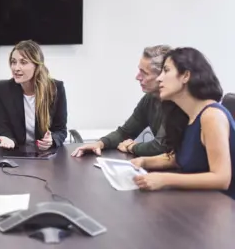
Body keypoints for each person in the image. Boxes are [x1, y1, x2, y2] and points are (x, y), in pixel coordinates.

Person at [130, 47, 235, 199]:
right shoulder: (186, 115)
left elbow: (221, 178)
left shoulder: (212, 116)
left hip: (225, 208)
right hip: (203, 201)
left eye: (166, 70)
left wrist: (164, 179)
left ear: (186, 76)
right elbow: (183, 158)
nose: (159, 78)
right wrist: (144, 161)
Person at [71, 45, 172, 157]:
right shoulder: (150, 98)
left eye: (144, 73)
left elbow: (160, 147)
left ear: (162, 75)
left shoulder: (177, 103)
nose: (137, 77)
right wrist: (99, 144)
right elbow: (125, 132)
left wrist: (131, 147)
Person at [0, 40, 67, 150]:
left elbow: (60, 130)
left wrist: (52, 140)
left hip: (45, 156)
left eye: (23, 62)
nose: (16, 68)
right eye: (13, 62)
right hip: (15, 153)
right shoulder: (2, 89)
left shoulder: (55, 89)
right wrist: (8, 140)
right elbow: (2, 128)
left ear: (36, 65)